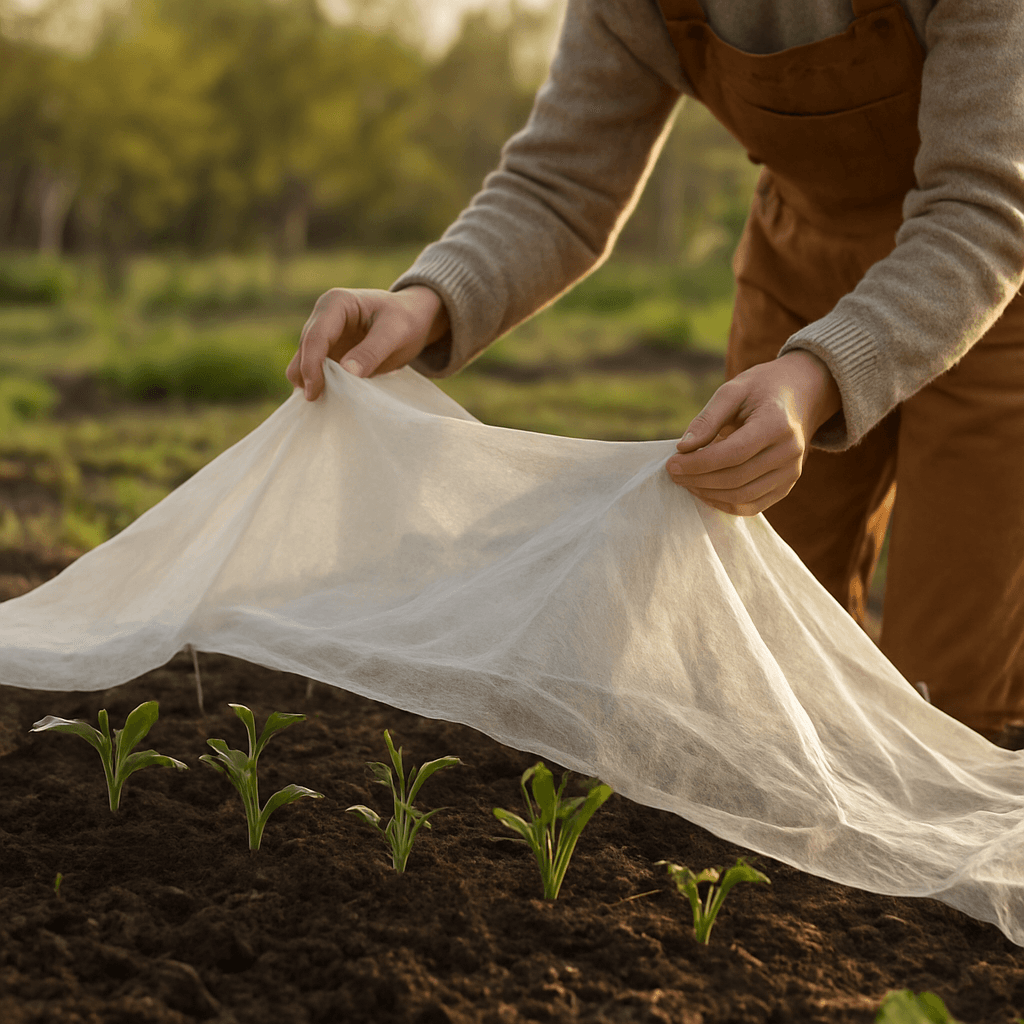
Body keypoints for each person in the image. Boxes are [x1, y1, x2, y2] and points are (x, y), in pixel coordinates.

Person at [286, 0, 1024, 743]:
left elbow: (984, 207)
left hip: (991, 289)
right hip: (802, 267)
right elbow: (559, 184)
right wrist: (426, 300)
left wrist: (821, 374)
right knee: (762, 663)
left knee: (951, 701)